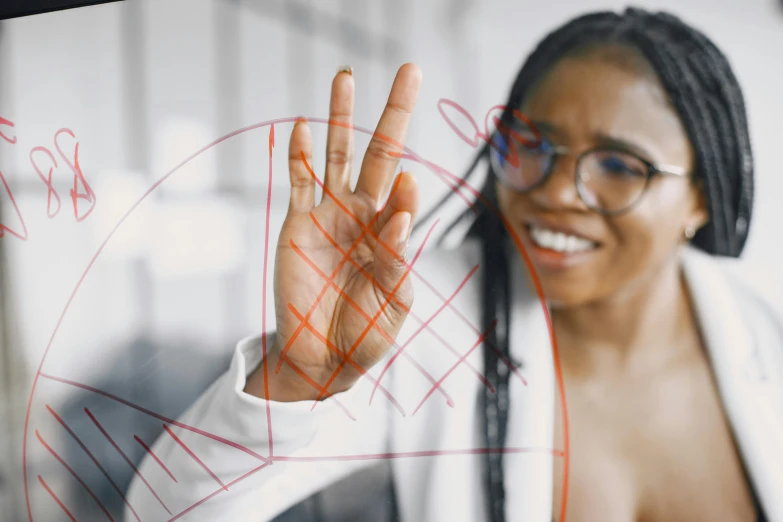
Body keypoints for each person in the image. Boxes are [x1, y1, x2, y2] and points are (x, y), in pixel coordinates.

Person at [127, 7, 783, 522]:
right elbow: (164, 512)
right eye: (530, 145)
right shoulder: (425, 317)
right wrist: (297, 380)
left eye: (617, 166)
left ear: (700, 194)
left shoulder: (766, 332)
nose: (552, 191)